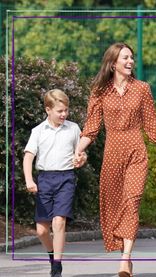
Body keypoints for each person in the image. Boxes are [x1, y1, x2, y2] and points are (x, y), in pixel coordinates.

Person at [74, 42, 156, 277]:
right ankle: (124, 255)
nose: (130, 62)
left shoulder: (142, 88)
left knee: (132, 201)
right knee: (114, 204)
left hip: (137, 152)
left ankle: (125, 258)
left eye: (132, 58)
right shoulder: (100, 91)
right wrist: (79, 151)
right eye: (125, 58)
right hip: (112, 153)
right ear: (113, 63)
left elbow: (151, 123)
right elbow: (91, 128)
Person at [23, 89, 86, 277]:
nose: (64, 114)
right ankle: (52, 255)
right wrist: (29, 179)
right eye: (60, 111)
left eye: (66, 110)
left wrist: (81, 159)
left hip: (66, 178)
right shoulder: (38, 131)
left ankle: (57, 266)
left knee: (59, 222)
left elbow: (81, 153)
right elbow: (28, 157)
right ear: (48, 110)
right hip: (44, 180)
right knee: (42, 230)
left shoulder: (73, 128)